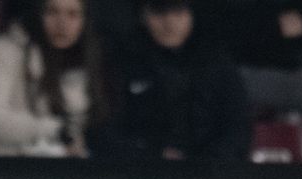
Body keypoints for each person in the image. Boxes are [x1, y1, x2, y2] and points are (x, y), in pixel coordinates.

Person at [89, 0, 251, 162]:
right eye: (159, 12)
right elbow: (105, 129)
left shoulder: (216, 63)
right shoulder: (123, 62)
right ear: (143, 15)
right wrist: (152, 155)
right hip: (139, 173)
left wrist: (207, 161)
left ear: (191, 14)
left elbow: (238, 128)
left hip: (209, 174)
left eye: (178, 12)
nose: (170, 22)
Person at [0, 0, 106, 157]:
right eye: (52, 12)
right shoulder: (0, 53)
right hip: (0, 170)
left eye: (72, 15)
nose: (62, 24)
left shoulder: (84, 62)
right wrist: (55, 131)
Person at [216, 0, 302, 158]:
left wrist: (259, 31)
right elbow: (220, 30)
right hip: (235, 73)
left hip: (292, 70)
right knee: (209, 78)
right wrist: (276, 27)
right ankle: (214, 171)